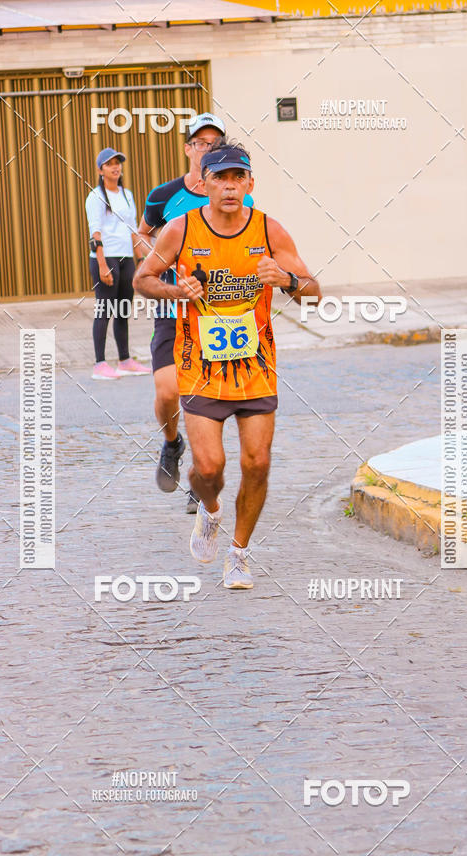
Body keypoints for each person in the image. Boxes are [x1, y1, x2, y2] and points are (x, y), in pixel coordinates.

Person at [133, 141, 321, 589]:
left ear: (251, 184)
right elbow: (143, 279)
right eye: (221, 177)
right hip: (199, 366)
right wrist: (176, 291)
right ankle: (210, 511)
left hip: (255, 366)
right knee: (210, 468)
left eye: (239, 178)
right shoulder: (180, 230)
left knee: (257, 463)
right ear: (204, 183)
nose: (230, 186)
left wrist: (287, 280)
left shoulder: (269, 230)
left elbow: (313, 289)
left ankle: (239, 554)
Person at [138, 113, 254, 512]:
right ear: (189, 148)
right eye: (200, 142)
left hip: (220, 316)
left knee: (210, 398)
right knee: (168, 391)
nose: (207, 148)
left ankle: (202, 479)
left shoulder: (237, 194)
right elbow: (143, 233)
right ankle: (172, 444)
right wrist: (155, 263)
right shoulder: (164, 195)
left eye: (214, 142)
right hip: (175, 308)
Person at [85, 147, 151, 380]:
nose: (115, 167)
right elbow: (95, 235)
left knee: (123, 310)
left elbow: (133, 230)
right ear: (100, 169)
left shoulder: (127, 194)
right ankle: (100, 364)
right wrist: (102, 265)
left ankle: (125, 360)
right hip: (106, 258)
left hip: (126, 258)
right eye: (110, 164)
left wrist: (141, 259)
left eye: (118, 162)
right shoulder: (96, 197)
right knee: (104, 310)